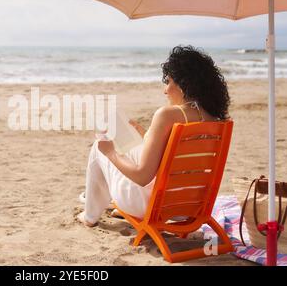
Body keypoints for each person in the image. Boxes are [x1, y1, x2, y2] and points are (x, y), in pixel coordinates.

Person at [77, 45, 231, 227]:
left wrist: (110, 153)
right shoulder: (215, 119)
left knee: (100, 146)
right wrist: (147, 135)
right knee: (124, 148)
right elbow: (173, 158)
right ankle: (103, 201)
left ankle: (90, 214)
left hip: (155, 205)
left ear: (183, 84)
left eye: (168, 82)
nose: (165, 90)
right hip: (190, 204)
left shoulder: (168, 115)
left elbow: (143, 176)